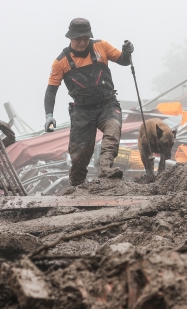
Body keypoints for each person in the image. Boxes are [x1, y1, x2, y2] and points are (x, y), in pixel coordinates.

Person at [43, 17, 134, 186]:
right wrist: (49, 115)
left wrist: (127, 52)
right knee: (80, 155)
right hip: (82, 111)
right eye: (78, 39)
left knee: (113, 129)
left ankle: (105, 168)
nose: (83, 43)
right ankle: (77, 186)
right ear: (70, 38)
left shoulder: (102, 46)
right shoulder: (60, 62)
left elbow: (124, 61)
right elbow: (51, 91)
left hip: (107, 104)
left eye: (86, 38)